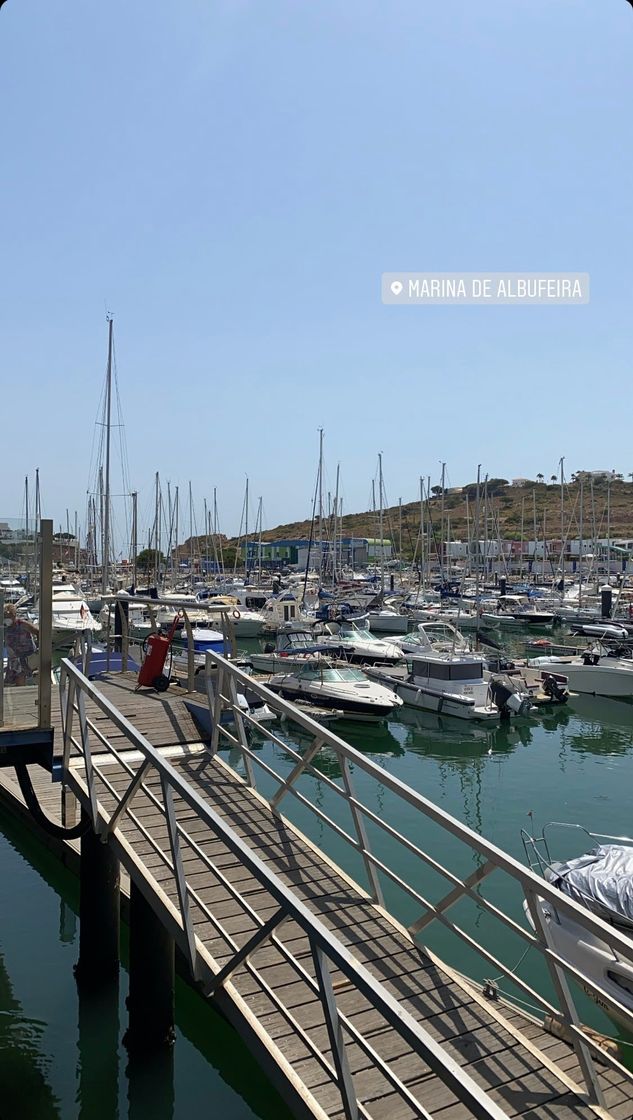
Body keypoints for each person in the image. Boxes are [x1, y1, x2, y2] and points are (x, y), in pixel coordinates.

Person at [3, 604, 39, 685]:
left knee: (21, 675)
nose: (6, 619)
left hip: (27, 655)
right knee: (10, 679)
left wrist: (39, 648)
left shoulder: (22, 624)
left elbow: (37, 632)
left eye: (8, 616)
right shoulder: (4, 627)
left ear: (14, 615)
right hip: (13, 656)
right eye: (5, 616)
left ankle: (21, 691)